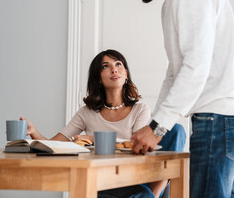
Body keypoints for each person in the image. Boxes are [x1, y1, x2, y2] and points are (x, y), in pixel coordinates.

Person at [112, 0, 234, 198]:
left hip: (220, 117)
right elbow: (175, 72)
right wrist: (154, 125)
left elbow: (195, 68)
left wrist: (157, 129)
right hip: (223, 116)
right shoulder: (172, 2)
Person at [22, 49, 186, 198]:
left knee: (175, 130)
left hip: (137, 177)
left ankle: (154, 195)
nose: (114, 69)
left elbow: (134, 146)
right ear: (98, 79)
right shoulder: (87, 112)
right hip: (103, 181)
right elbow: (55, 145)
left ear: (126, 74)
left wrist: (93, 139)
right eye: (105, 66)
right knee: (140, 195)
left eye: (118, 64)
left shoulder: (140, 109)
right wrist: (34, 131)